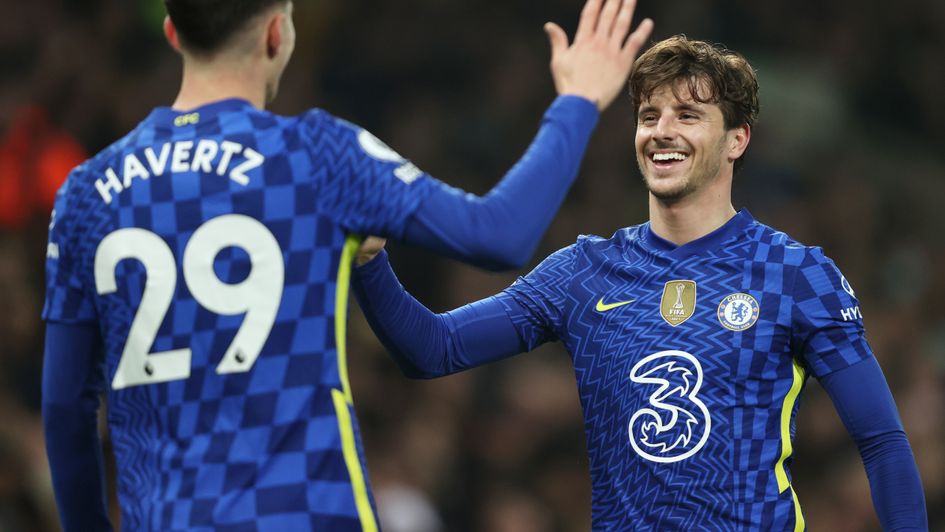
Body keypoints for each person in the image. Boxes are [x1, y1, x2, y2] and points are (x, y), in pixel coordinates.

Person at [40, 0, 655, 530]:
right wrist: (577, 101)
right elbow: (499, 235)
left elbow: (67, 408)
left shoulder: (88, 193)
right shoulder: (316, 155)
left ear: (174, 33)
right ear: (277, 33)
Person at [352, 36, 929, 530]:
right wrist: (371, 262)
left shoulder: (796, 273)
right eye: (649, 115)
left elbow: (881, 440)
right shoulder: (583, 273)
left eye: (688, 115)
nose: (662, 131)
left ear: (737, 139)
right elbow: (432, 349)